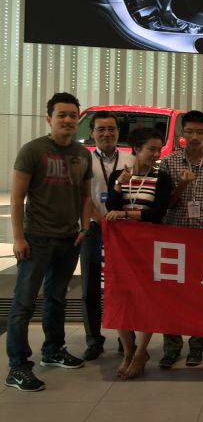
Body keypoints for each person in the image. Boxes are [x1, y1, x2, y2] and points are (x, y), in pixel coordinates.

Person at [5, 93, 92, 392]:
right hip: (37, 239)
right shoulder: (33, 150)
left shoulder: (82, 154)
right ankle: (17, 366)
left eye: (73, 115)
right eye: (62, 115)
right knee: (24, 303)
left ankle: (53, 350)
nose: (68, 120)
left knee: (56, 298)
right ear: (49, 119)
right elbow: (17, 198)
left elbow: (86, 196)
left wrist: (84, 227)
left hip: (69, 239)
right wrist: (18, 237)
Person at [158, 110, 203, 368]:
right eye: (189, 132)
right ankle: (171, 347)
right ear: (182, 133)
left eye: (200, 132)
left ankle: (197, 347)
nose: (195, 137)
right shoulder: (169, 163)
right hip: (174, 238)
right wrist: (183, 185)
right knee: (171, 295)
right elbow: (164, 204)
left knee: (201, 295)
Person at [105, 127, 173, 379]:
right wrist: (118, 186)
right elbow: (110, 207)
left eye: (158, 150)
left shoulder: (162, 178)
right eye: (151, 149)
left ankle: (141, 352)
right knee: (121, 298)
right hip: (121, 246)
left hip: (149, 246)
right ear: (136, 149)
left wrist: (125, 214)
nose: (156, 154)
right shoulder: (118, 175)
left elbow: (157, 213)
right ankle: (128, 351)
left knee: (147, 299)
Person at [80, 111, 133, 361]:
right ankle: (94, 340)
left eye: (111, 129)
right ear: (92, 133)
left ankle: (126, 340)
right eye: (101, 129)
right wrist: (100, 221)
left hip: (124, 231)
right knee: (90, 287)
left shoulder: (130, 159)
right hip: (93, 228)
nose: (106, 133)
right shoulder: (85, 160)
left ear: (118, 132)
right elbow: (83, 197)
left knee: (126, 285)